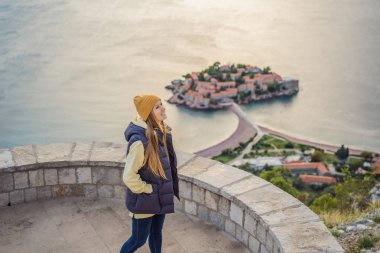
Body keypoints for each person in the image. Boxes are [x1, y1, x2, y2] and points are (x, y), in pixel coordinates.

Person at [120, 94, 180, 253]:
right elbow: (129, 176)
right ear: (148, 114)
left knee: (156, 234)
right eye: (157, 106)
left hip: (159, 197)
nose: (163, 108)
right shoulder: (140, 142)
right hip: (145, 199)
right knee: (138, 240)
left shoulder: (160, 132)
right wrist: (149, 189)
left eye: (162, 104)